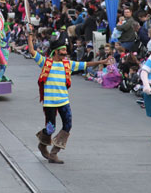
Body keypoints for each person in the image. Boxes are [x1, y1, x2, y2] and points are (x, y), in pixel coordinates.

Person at [28, 30, 107, 164]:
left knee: (68, 125)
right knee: (50, 128)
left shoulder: (68, 64)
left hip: (64, 100)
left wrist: (103, 61)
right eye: (63, 50)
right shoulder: (45, 63)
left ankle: (54, 153)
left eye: (65, 50)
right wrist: (30, 36)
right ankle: (42, 144)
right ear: (56, 51)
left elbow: (85, 65)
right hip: (50, 102)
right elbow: (32, 51)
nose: (65, 52)